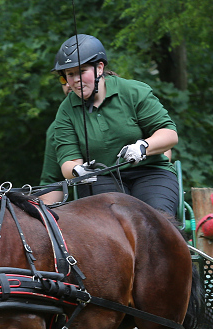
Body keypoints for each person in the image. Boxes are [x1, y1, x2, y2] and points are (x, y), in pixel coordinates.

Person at [49, 34, 180, 218]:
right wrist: (77, 170)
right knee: (112, 222)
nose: (76, 79)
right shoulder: (66, 110)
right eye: (70, 74)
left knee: (155, 219)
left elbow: (169, 134)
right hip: (102, 178)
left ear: (99, 68)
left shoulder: (133, 91)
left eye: (81, 71)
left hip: (151, 172)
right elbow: (68, 162)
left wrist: (143, 146)